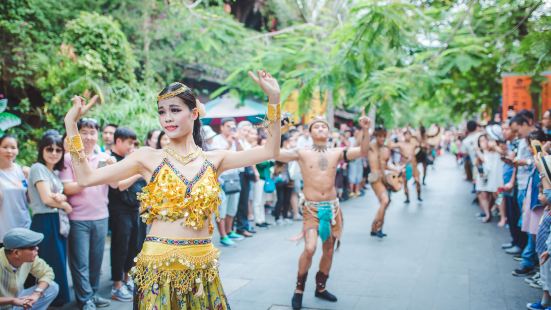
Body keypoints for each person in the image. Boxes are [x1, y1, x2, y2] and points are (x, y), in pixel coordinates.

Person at [62, 70, 281, 309]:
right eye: (162, 112)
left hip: (202, 271)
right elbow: (85, 177)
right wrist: (71, 125)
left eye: (175, 110)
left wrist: (274, 100)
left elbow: (270, 151)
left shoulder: (215, 159)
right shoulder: (147, 157)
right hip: (158, 270)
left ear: (194, 113)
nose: (167, 118)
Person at [276, 115, 371, 310]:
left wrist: (365, 130)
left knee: (329, 249)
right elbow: (276, 153)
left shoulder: (337, 152)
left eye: (324, 127)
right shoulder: (301, 152)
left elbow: (362, 151)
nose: (320, 129)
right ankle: (299, 289)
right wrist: (279, 129)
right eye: (316, 127)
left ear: (329, 132)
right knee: (310, 248)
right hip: (311, 209)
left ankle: (321, 287)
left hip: (333, 208)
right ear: (310, 133)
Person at [60, 118, 113, 310]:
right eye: (84, 132)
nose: (89, 137)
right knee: (80, 263)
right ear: (77, 134)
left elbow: (115, 184)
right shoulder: (68, 158)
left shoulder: (103, 158)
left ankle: (93, 293)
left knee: (96, 262)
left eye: (92, 133)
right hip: (78, 218)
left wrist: (111, 167)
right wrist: (88, 178)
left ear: (97, 135)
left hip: (101, 216)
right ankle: (85, 299)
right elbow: (67, 188)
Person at [28, 132, 72, 306]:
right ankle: (45, 300)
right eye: (49, 148)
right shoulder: (38, 167)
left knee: (58, 261)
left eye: (58, 150)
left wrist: (61, 199)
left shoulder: (53, 172)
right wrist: (65, 205)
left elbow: (56, 197)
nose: (54, 153)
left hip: (56, 221)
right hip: (44, 221)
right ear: (42, 149)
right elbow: (46, 199)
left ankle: (55, 298)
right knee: (48, 262)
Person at [107, 127, 143, 302]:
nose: (132, 146)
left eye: (134, 143)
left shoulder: (129, 159)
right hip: (119, 210)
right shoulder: (111, 159)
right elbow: (119, 185)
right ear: (119, 141)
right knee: (120, 247)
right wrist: (137, 172)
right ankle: (116, 286)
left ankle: (126, 279)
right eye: (129, 142)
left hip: (134, 208)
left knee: (133, 246)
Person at [0, 228, 59, 310]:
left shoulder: (30, 259)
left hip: (18, 300)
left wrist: (37, 293)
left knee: (52, 287)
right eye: (32, 247)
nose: (37, 248)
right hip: (5, 304)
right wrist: (12, 300)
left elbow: (47, 273)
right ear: (16, 253)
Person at [212, 117, 244, 245]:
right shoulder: (216, 140)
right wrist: (229, 144)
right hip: (220, 179)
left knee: (232, 207)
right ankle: (223, 236)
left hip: (234, 176)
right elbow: (218, 158)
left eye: (233, 126)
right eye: (228, 126)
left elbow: (242, 154)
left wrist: (237, 141)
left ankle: (229, 231)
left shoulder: (236, 138)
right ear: (222, 127)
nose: (231, 129)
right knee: (222, 209)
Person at [0, 134, 31, 245]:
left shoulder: (23, 172)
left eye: (13, 147)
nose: (9, 151)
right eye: (5, 147)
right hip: (3, 231)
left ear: (17, 150)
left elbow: (30, 200)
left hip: (24, 227)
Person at [474, 134, 503, 223]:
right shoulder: (481, 152)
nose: (483, 142)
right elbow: (478, 165)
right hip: (483, 176)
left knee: (497, 195)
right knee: (482, 194)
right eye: (481, 141)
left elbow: (502, 153)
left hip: (494, 176)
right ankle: (487, 214)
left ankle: (502, 215)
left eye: (484, 140)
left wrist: (478, 152)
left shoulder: (494, 150)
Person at [389, 129, 422, 203]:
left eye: (409, 134)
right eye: (406, 134)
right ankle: (407, 198)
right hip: (405, 165)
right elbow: (390, 146)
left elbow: (421, 143)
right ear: (404, 136)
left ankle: (419, 196)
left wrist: (416, 135)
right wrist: (389, 135)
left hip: (413, 165)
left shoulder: (414, 143)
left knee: (417, 181)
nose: (408, 136)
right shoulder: (401, 144)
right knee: (405, 182)